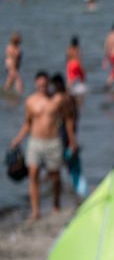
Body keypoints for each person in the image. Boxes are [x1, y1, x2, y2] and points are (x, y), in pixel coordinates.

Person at [9, 72, 72, 222]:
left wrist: (71, 140)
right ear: (36, 84)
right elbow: (27, 124)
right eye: (40, 85)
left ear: (49, 84)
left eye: (45, 85)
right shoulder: (30, 101)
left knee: (55, 176)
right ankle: (36, 211)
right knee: (33, 175)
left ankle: (56, 205)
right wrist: (17, 139)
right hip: (35, 141)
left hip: (53, 141)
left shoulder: (58, 100)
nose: (43, 88)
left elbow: (68, 119)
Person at [50, 74, 84, 197]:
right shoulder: (69, 98)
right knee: (73, 170)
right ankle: (76, 195)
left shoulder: (63, 99)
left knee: (73, 170)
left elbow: (69, 124)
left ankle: (80, 195)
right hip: (65, 139)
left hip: (65, 140)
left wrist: (73, 143)